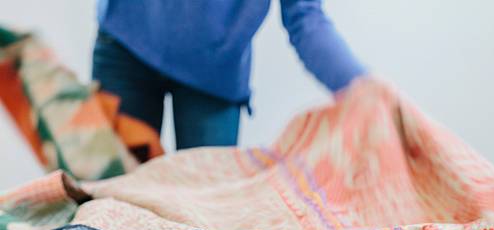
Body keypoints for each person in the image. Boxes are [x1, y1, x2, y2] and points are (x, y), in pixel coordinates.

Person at [93, 0, 366, 151]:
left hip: (214, 79)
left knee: (202, 222)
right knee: (108, 203)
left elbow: (306, 18)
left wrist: (363, 89)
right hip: (124, 46)